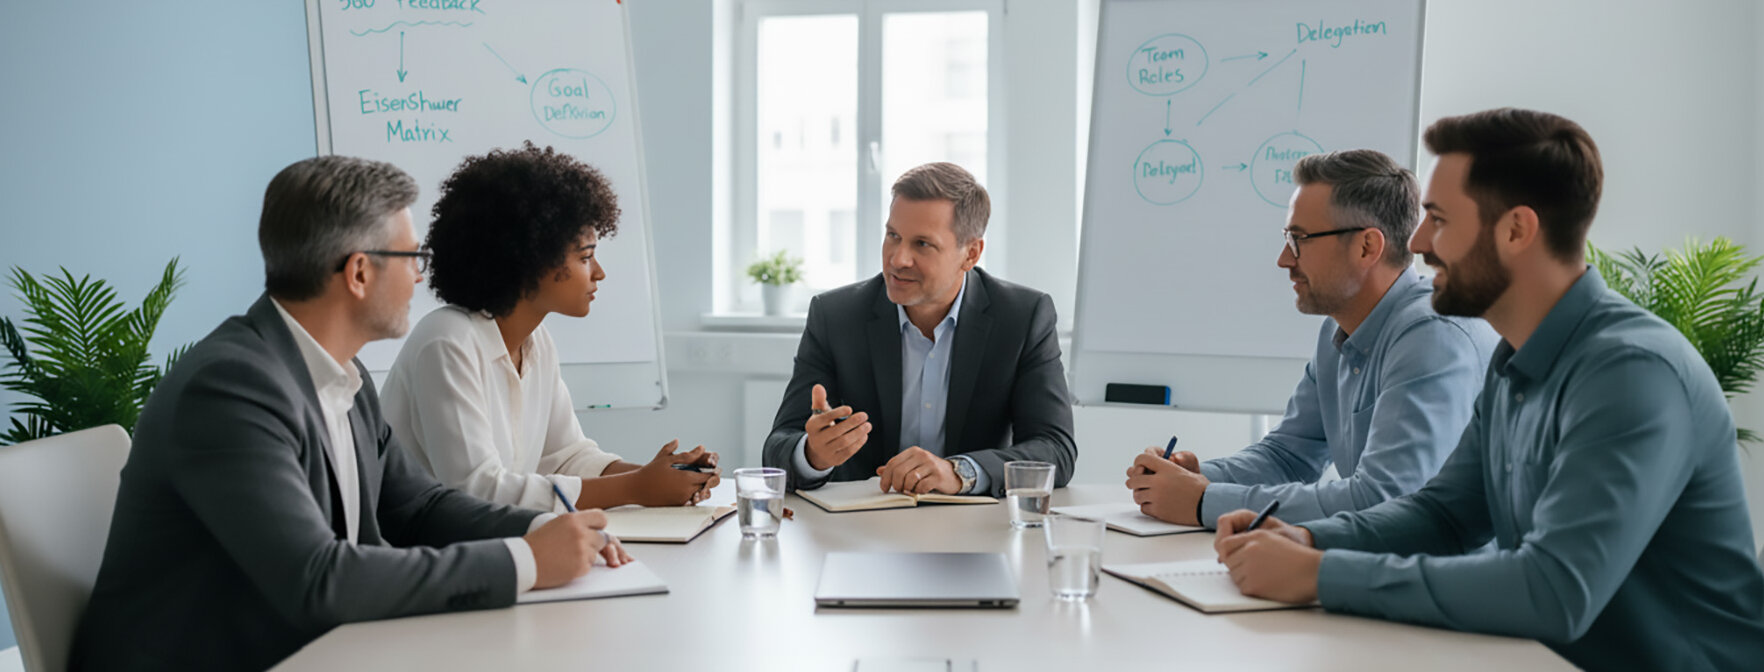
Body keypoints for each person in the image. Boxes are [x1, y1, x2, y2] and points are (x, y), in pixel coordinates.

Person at [1212, 108, 1764, 670]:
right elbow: (1444, 515)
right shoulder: (1513, 358)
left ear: (1516, 230)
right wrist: (1309, 541)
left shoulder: (1632, 373)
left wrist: (1323, 575)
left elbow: (1554, 590)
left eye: (1440, 220)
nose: (1420, 242)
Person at [72, 156, 629, 671]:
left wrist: (547, 527)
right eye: (412, 257)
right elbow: (317, 578)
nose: (420, 275)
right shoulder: (230, 389)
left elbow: (418, 506)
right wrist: (526, 562)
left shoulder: (344, 375)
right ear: (359, 273)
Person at [1125, 150, 1497, 527]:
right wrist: (1197, 476)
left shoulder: (1432, 337)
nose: (1284, 259)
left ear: (1368, 246)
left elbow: (1383, 499)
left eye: (1300, 239)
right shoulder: (1340, 329)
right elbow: (1289, 456)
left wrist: (1204, 500)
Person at [382, 143, 717, 513]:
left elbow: (565, 456)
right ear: (528, 261)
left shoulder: (536, 342)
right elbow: (476, 491)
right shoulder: (447, 341)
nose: (599, 272)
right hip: (420, 554)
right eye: (585, 257)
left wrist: (665, 479)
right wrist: (637, 488)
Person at [761, 162, 1077, 496]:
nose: (898, 259)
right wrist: (813, 454)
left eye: (922, 244)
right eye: (893, 236)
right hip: (860, 528)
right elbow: (778, 448)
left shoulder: (1023, 317)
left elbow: (1055, 449)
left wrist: (960, 472)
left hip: (974, 528)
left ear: (970, 253)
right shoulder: (836, 316)